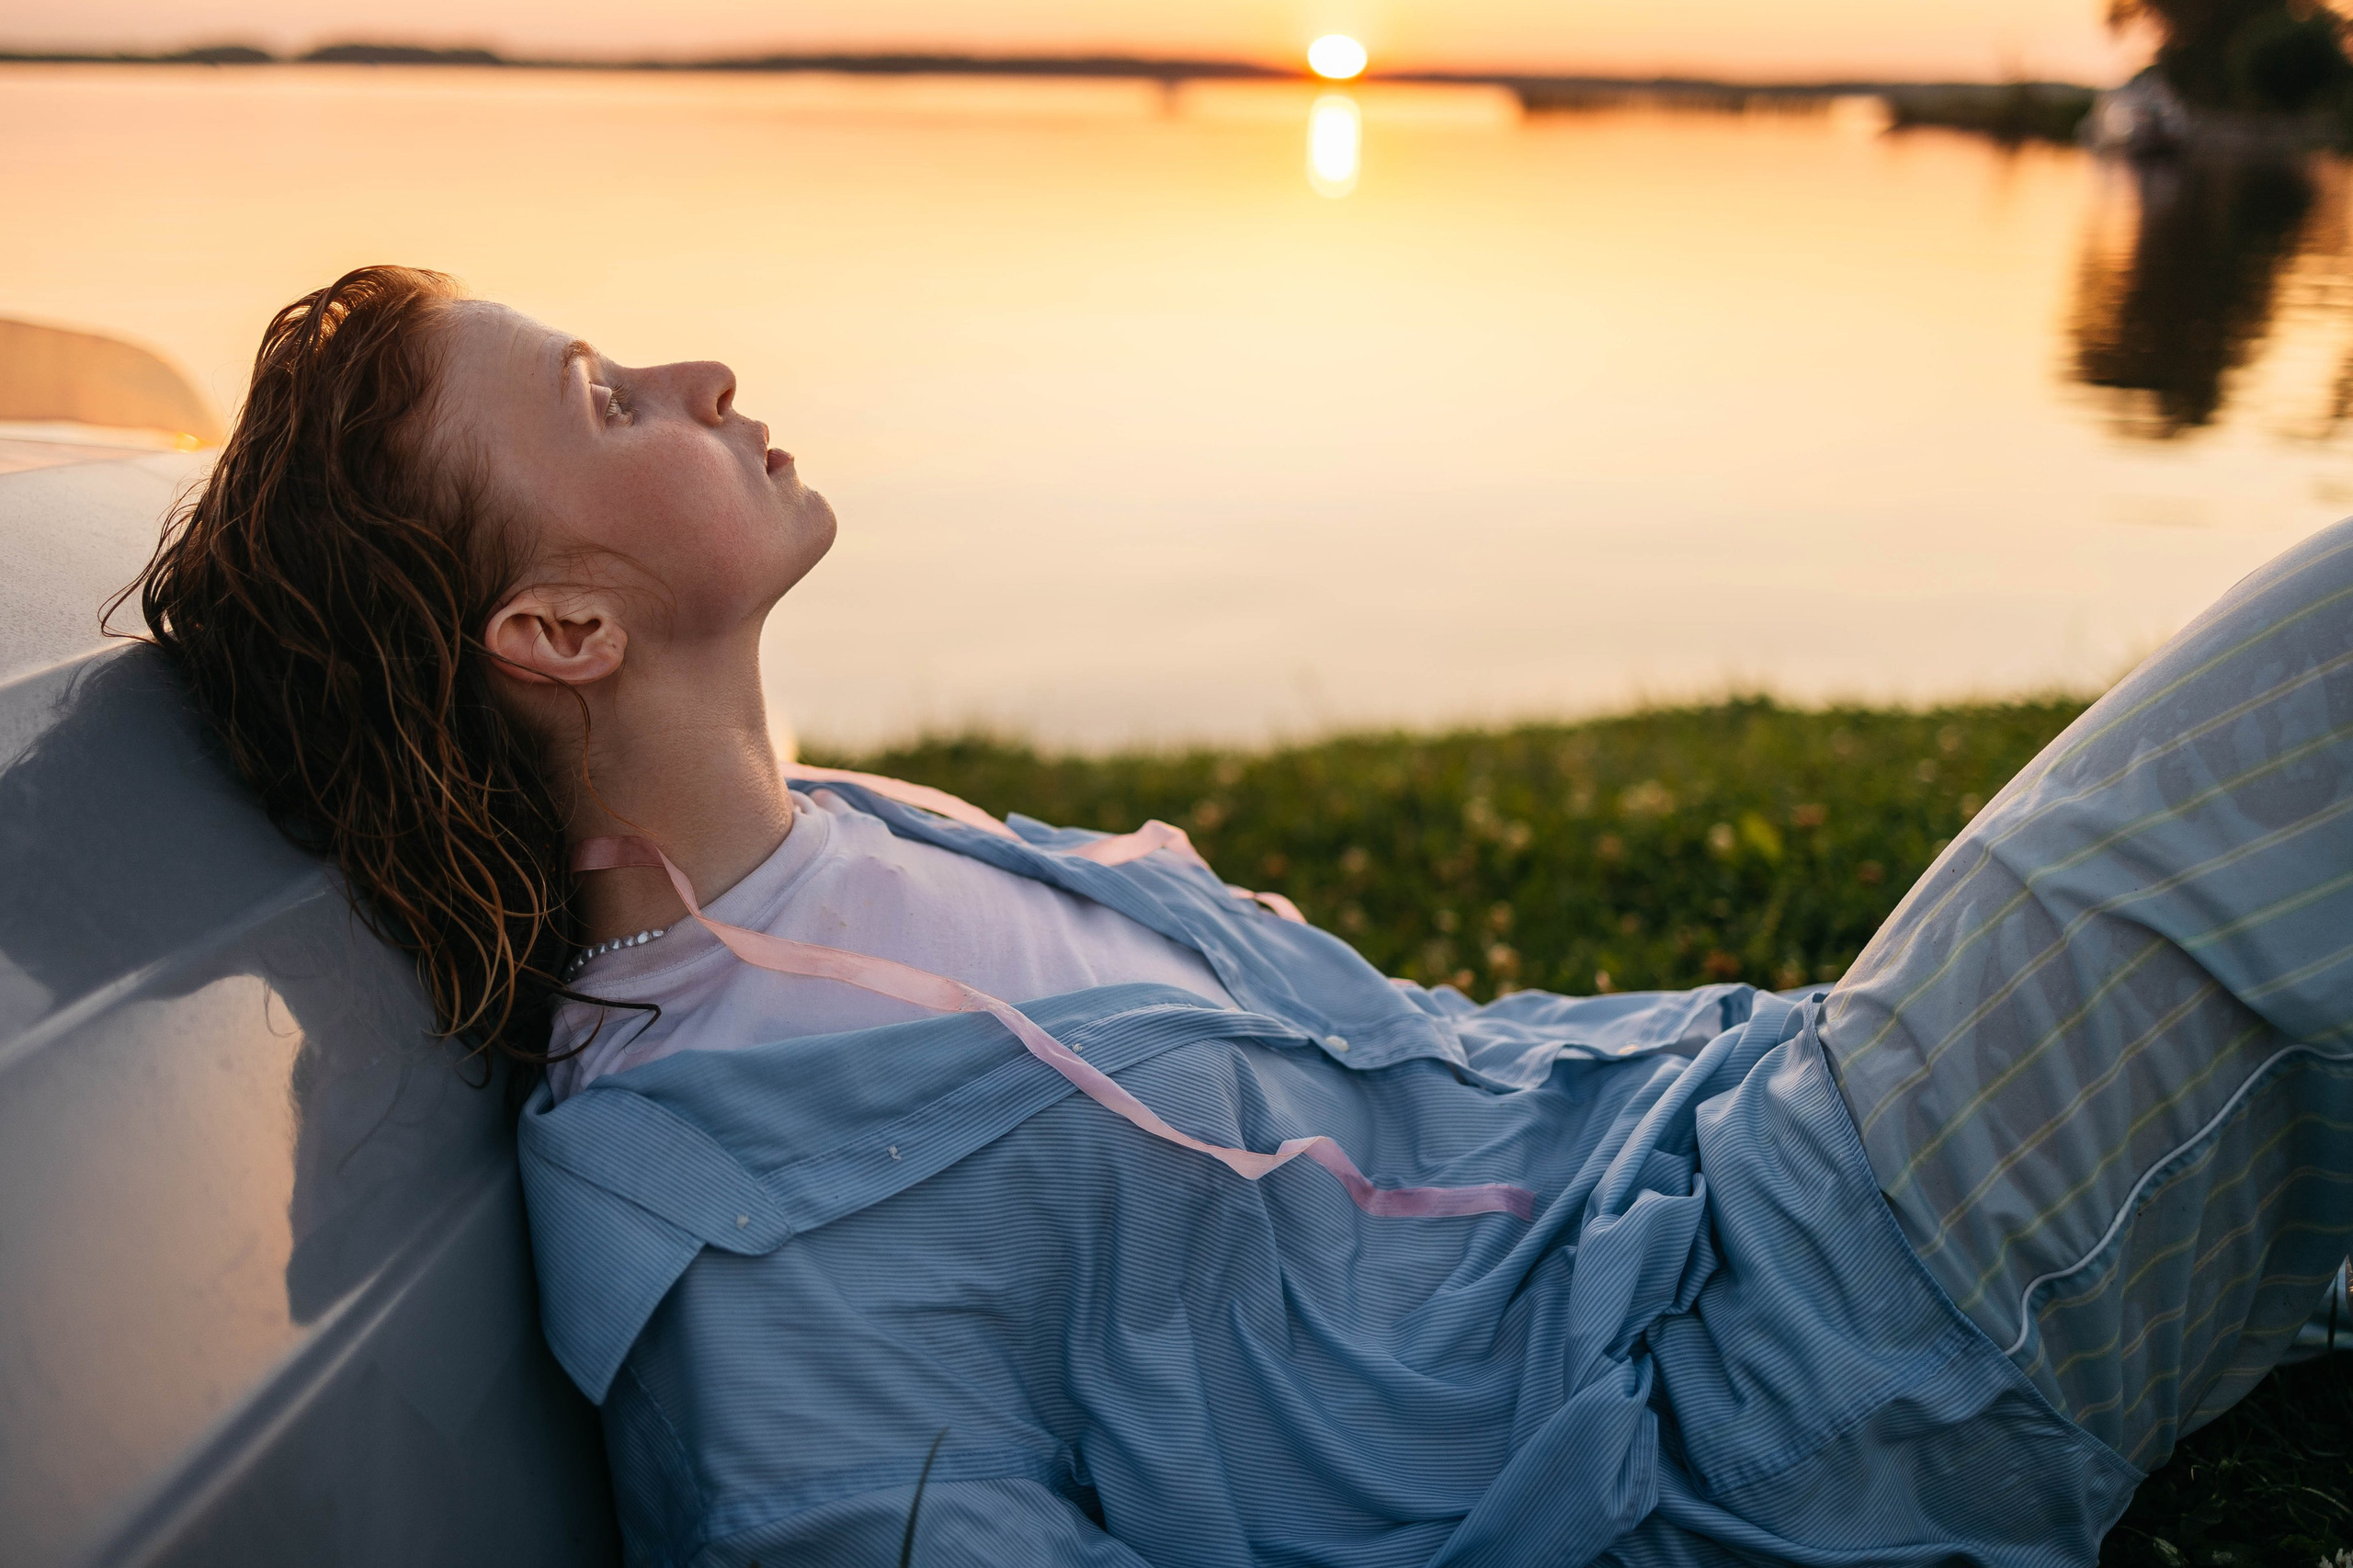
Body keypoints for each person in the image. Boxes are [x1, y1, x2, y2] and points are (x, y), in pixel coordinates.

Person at [132, 266, 2352, 1567]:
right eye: (606, 404)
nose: (701, 375)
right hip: (1780, 1390)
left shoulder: (863, 844)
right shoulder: (716, 1204)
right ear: (556, 629)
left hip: (1721, 1158)